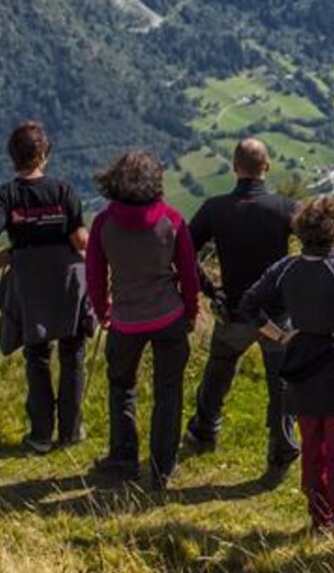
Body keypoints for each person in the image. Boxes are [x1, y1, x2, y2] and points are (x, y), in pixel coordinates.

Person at [240, 196, 334, 537]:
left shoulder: (286, 267)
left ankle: (320, 522)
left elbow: (249, 304)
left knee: (312, 450)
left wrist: (280, 335)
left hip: (300, 365)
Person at [183, 138, 300, 482]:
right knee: (280, 385)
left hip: (233, 308)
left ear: (235, 168)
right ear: (267, 167)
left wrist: (209, 289)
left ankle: (204, 432)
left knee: (218, 372)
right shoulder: (285, 208)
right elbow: (317, 250)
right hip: (276, 313)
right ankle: (280, 454)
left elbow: (184, 254)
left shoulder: (215, 208)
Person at [85, 150, 199, 491]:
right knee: (169, 391)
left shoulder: (104, 223)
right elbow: (189, 273)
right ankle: (163, 468)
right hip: (168, 316)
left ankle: (123, 459)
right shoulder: (173, 220)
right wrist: (191, 310)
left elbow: (94, 274)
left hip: (125, 319)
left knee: (122, 385)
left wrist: (102, 310)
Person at [0, 120, 92, 454]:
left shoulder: (5, 194)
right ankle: (70, 431)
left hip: (28, 277)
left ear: (14, 155)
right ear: (44, 153)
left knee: (37, 354)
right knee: (73, 352)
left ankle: (40, 434)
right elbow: (79, 239)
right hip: (67, 277)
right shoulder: (63, 190)